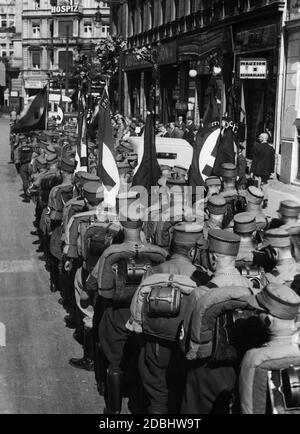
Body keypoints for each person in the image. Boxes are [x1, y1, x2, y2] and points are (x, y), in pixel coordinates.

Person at [131, 222, 206, 414]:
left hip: (154, 344)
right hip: (184, 347)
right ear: (193, 251)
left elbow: (137, 312)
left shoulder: (153, 271)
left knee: (156, 397)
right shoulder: (201, 278)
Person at [181, 229, 255, 414]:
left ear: (213, 258)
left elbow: (185, 341)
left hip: (206, 372)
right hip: (244, 368)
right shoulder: (254, 289)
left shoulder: (201, 293)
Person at [240, 283, 300, 414]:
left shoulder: (254, 358)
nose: (256, 313)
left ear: (268, 320)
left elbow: (248, 408)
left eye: (259, 311)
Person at [250, 133, 275, 209]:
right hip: (266, 171)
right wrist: (271, 172)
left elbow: (254, 160)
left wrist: (252, 171)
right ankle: (265, 199)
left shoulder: (257, 147)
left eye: (259, 137)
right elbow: (272, 161)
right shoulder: (271, 149)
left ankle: (257, 202)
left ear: (262, 138)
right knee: (264, 186)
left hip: (257, 170)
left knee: (257, 186)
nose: (258, 138)